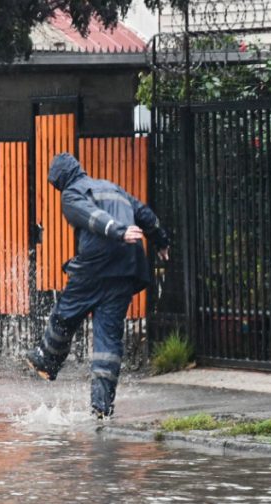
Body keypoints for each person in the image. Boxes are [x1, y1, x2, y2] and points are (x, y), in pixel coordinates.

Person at [26, 152, 171, 418]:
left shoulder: (70, 195)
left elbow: (91, 217)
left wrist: (117, 230)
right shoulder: (112, 188)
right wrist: (160, 241)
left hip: (96, 266)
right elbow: (144, 214)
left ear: (61, 180)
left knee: (64, 313)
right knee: (108, 337)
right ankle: (101, 406)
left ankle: (48, 359)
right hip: (126, 269)